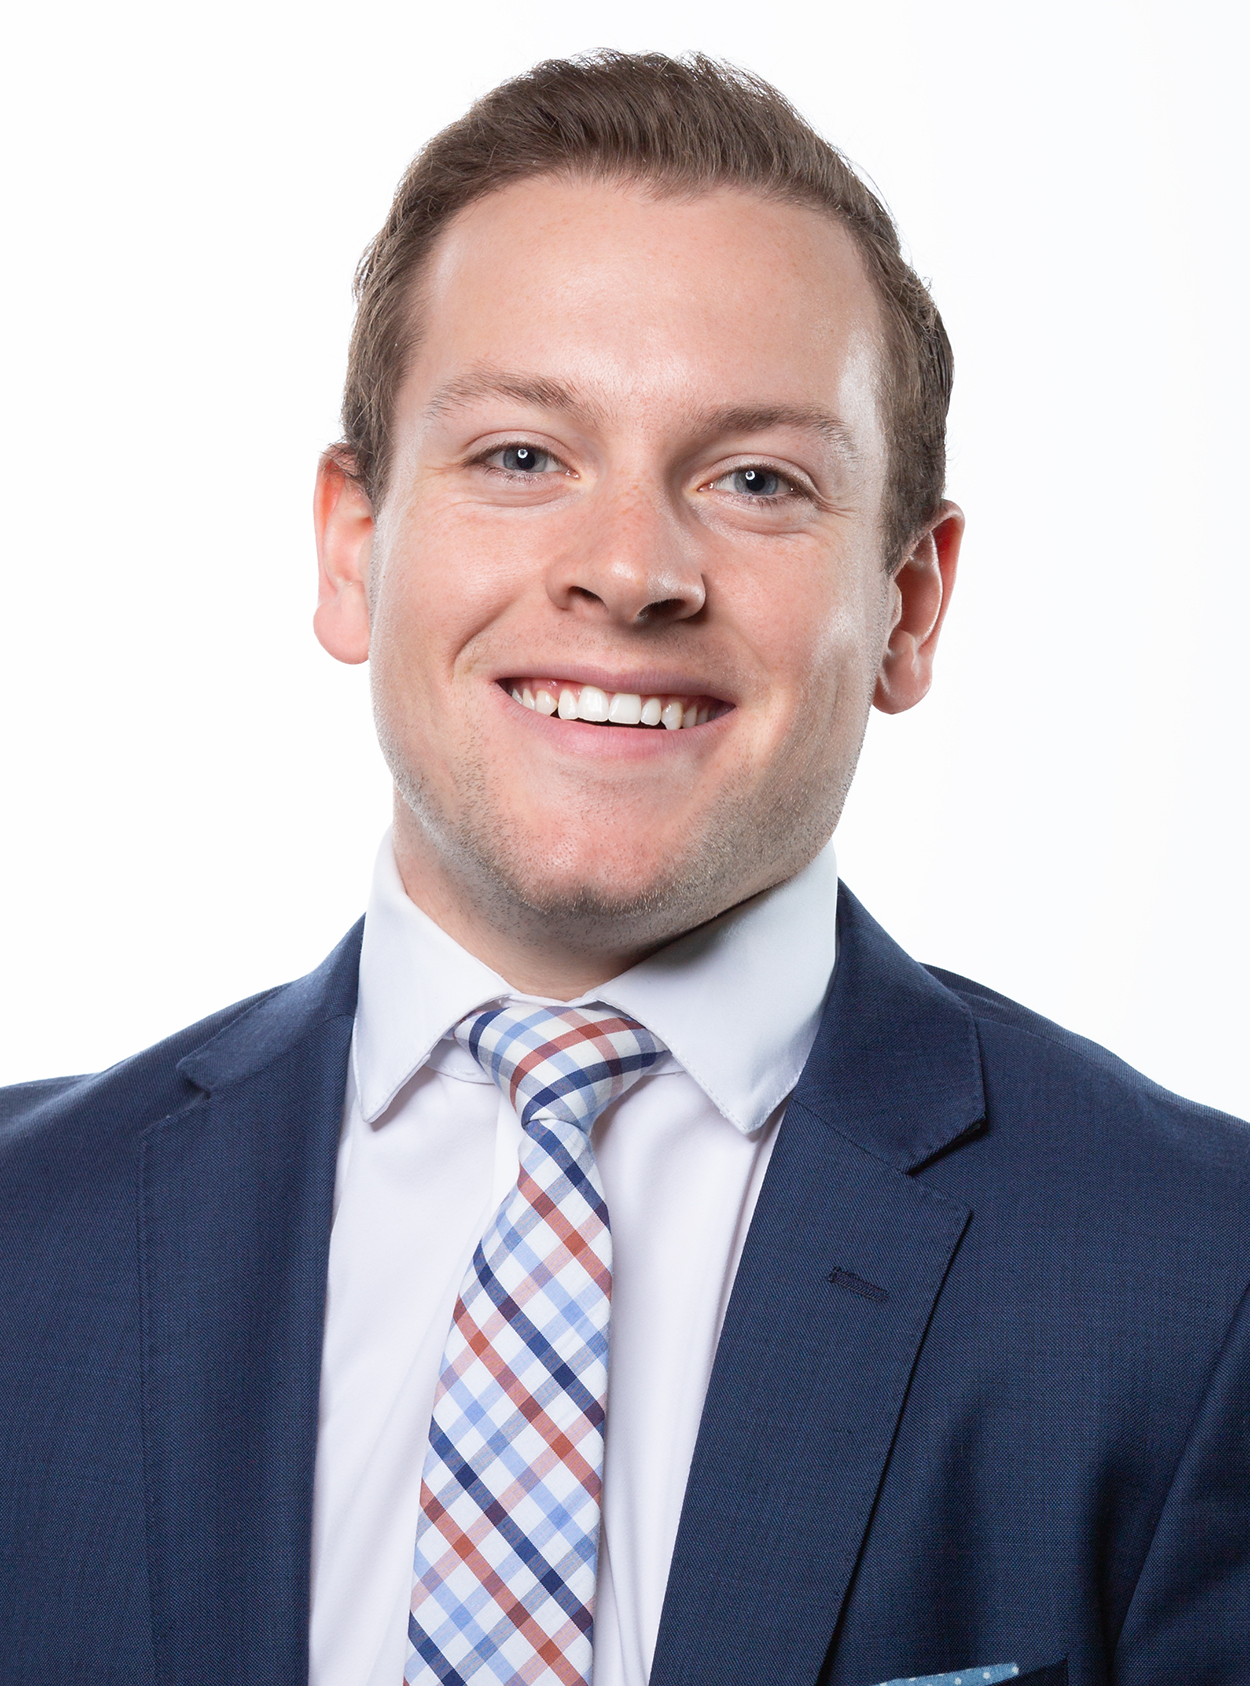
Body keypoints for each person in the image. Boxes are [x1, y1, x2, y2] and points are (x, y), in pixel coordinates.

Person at [1, 50, 1246, 1686]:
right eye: (522, 456)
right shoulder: (25, 1237)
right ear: (352, 547)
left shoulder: (1202, 1281)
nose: (628, 569)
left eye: (755, 480)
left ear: (909, 603)